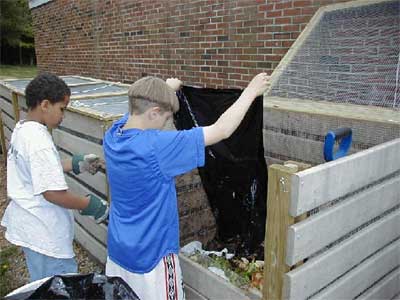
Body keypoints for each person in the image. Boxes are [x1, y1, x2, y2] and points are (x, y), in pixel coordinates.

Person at [103, 73, 270, 299]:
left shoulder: (114, 134)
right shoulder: (156, 147)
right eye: (166, 118)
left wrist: (166, 89)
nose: (166, 124)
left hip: (118, 254)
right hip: (152, 259)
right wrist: (251, 91)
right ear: (153, 112)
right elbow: (221, 130)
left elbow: (137, 110)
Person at [1, 73, 109, 282]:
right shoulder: (39, 141)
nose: (63, 116)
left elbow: (39, 172)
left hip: (32, 228)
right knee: (59, 288)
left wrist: (76, 163)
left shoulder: (22, 129)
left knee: (43, 285)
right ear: (45, 104)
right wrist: (91, 204)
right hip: (45, 234)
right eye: (62, 109)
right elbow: (52, 193)